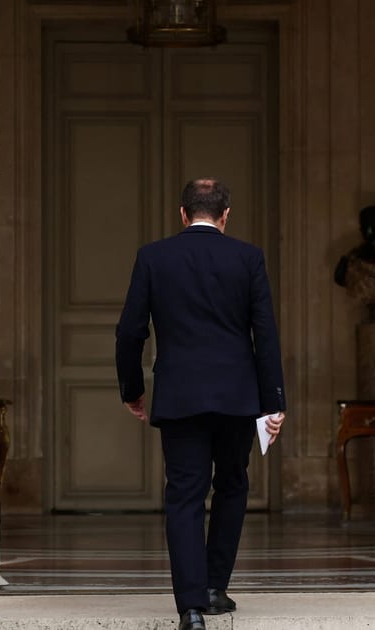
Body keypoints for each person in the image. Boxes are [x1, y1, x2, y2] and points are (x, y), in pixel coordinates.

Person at [116, 178, 287, 630]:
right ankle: (215, 588)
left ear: (182, 213)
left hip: (180, 396)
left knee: (185, 495)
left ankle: (190, 607)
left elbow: (130, 332)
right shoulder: (248, 257)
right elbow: (265, 333)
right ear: (225, 214)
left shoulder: (153, 257)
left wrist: (132, 389)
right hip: (237, 397)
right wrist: (274, 401)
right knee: (232, 486)